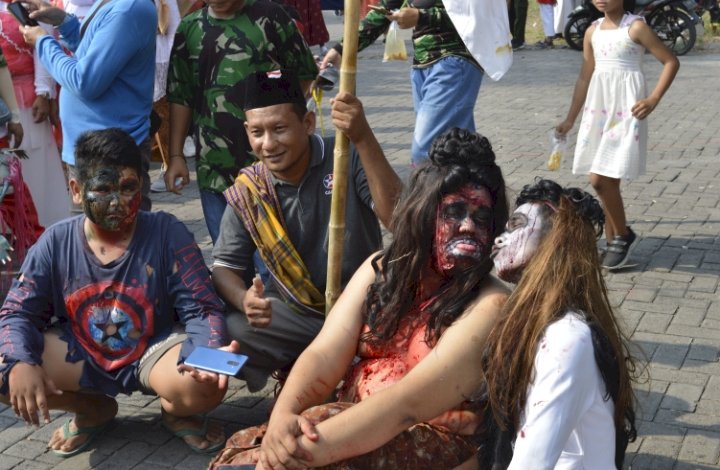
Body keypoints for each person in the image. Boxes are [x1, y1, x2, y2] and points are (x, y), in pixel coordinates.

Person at [208, 127, 509, 469]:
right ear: (424, 212)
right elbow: (324, 353)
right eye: (455, 212)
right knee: (241, 457)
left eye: (482, 218)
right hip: (352, 430)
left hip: (436, 448)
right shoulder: (380, 270)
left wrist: (296, 456)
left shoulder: (490, 304)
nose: (469, 227)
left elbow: (406, 406)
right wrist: (283, 416)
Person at [0, 128, 236, 457]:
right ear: (76, 191)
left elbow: (204, 310)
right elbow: (17, 313)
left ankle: (177, 412)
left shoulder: (169, 232)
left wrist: (208, 356)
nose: (117, 202)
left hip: (159, 349)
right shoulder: (54, 243)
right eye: (103, 189)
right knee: (3, 368)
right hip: (79, 352)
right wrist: (18, 363)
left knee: (210, 377)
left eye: (128, 188)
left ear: (142, 183)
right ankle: (93, 410)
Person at [211, 70, 402, 392]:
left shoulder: (347, 155)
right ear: (247, 132)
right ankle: (306, 366)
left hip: (363, 306)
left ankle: (332, 368)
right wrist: (244, 299)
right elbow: (223, 268)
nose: (268, 144)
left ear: (309, 123)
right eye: (257, 132)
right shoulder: (249, 189)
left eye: (280, 129)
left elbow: (398, 218)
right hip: (295, 313)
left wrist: (363, 137)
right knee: (224, 333)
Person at [484, 179, 638, 468]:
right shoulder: (535, 320)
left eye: (516, 225)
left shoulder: (566, 340)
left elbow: (531, 463)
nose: (499, 238)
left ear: (555, 237)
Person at [164, 0, 318, 244]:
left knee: (274, 266)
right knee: (229, 263)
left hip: (271, 171)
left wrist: (282, 123)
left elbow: (305, 76)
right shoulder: (190, 28)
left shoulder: (271, 18)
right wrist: (175, 156)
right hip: (214, 171)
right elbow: (181, 96)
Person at [555, 0, 679, 270]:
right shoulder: (592, 31)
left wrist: (654, 98)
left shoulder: (635, 28)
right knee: (608, 178)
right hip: (598, 111)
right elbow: (585, 78)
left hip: (627, 112)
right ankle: (615, 240)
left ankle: (622, 235)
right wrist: (570, 119)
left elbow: (670, 61)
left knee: (599, 179)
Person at [20, 0, 157, 211]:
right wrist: (63, 21)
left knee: (117, 237)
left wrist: (43, 42)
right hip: (92, 148)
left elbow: (84, 81)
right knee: (92, 238)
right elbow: (91, 50)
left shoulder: (128, 9)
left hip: (111, 152)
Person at [321, 0, 483, 166]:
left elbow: (478, 12)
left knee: (425, 151)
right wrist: (340, 49)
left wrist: (422, 16)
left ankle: (426, 191)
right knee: (458, 145)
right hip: (422, 66)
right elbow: (382, 11)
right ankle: (476, 187)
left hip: (454, 62)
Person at [0, 7, 69, 228]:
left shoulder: (27, 4)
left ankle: (44, 226)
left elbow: (44, 44)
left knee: (34, 162)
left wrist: (43, 91)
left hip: (28, 97)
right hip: (3, 101)